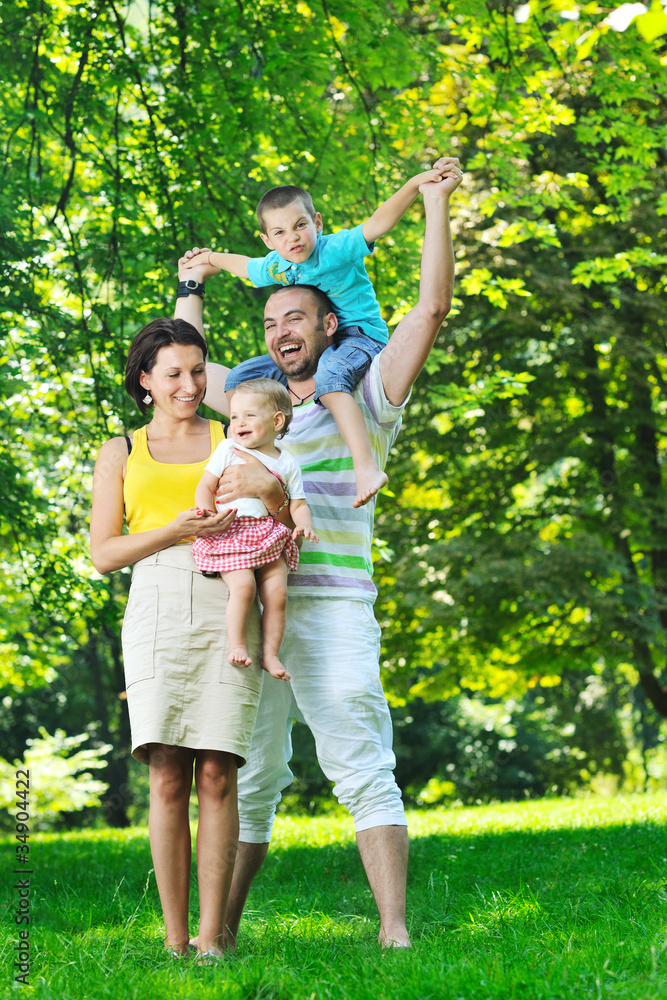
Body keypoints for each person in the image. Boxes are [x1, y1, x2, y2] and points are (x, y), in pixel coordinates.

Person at [176, 155, 463, 949]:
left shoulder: (365, 394)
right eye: (270, 323)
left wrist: (433, 204)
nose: (281, 332)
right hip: (249, 606)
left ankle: (394, 931)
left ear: (328, 324)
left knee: (361, 762)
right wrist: (191, 288)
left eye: (295, 318)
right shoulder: (255, 406)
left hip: (332, 606)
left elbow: (429, 309)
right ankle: (218, 936)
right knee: (252, 781)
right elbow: (193, 373)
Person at [89, 318, 264, 962]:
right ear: (145, 381)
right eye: (174, 373)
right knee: (167, 774)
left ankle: (213, 938)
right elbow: (104, 553)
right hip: (157, 598)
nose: (190, 385)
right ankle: (175, 940)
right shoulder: (120, 451)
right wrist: (177, 530)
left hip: (231, 591)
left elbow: (275, 500)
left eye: (198, 370)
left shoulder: (232, 436)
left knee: (219, 770)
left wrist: (265, 493)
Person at [182, 160, 452, 509]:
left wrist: (418, 186)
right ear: (267, 240)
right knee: (240, 377)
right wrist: (203, 262)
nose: (292, 238)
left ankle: (365, 464)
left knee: (330, 375)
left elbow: (379, 223)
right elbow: (244, 268)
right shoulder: (278, 265)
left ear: (317, 223)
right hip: (328, 349)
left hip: (358, 336)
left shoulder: (334, 249)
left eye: (300, 226)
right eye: (279, 233)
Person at [193, 378, 319, 679]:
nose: (239, 422)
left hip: (267, 533)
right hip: (231, 531)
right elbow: (205, 485)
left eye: (250, 415)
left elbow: (298, 503)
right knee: (244, 587)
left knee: (277, 593)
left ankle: (270, 654)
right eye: (234, 416)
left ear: (277, 421)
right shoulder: (228, 449)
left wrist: (304, 524)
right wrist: (205, 512)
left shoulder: (287, 462)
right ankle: (237, 644)